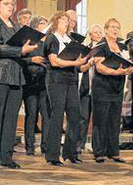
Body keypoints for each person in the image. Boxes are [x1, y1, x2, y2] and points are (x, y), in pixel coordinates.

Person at [0, 0, 38, 171]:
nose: (10, 7)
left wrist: (27, 50)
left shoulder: (15, 25)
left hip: (15, 75)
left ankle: (6, 156)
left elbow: (20, 49)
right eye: (6, 3)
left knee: (11, 119)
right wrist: (21, 49)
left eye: (12, 4)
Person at [44, 11, 88, 166]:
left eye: (67, 20)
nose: (66, 22)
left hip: (71, 80)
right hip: (56, 80)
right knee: (56, 117)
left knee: (75, 116)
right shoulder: (52, 38)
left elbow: (79, 65)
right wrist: (75, 63)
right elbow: (54, 61)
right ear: (55, 21)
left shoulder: (70, 40)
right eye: (62, 19)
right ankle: (52, 156)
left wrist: (88, 61)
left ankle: (70, 153)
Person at [91, 18, 133, 163]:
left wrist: (129, 69)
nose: (115, 30)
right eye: (113, 27)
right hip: (102, 86)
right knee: (101, 120)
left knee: (115, 120)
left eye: (117, 27)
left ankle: (113, 151)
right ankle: (99, 152)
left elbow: (128, 63)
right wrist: (117, 72)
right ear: (106, 29)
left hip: (117, 87)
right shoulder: (101, 45)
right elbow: (99, 67)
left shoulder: (122, 46)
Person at [22, 16, 49, 155]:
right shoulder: (29, 41)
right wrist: (32, 60)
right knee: (31, 114)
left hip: (44, 83)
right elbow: (21, 59)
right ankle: (30, 147)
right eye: (42, 23)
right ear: (35, 26)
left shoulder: (47, 42)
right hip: (31, 82)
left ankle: (45, 146)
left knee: (46, 115)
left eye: (46, 23)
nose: (45, 25)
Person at [78, 24, 104, 152]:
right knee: (83, 118)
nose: (99, 34)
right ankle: (80, 145)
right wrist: (89, 62)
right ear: (90, 35)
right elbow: (80, 67)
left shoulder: (105, 49)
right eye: (96, 32)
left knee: (98, 119)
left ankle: (97, 147)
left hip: (100, 88)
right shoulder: (85, 49)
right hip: (86, 86)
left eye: (100, 32)